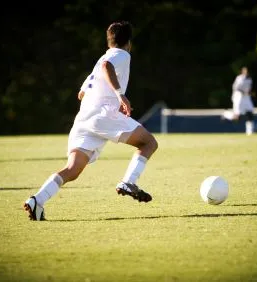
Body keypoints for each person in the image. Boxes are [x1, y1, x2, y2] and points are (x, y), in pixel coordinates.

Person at [23, 21, 158, 221]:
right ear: (128, 43)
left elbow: (81, 93)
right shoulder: (120, 54)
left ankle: (38, 200)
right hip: (103, 114)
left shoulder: (98, 62)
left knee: (72, 170)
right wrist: (120, 95)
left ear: (108, 40)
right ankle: (128, 182)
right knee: (149, 142)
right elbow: (107, 66)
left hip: (84, 119)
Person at [222, 67, 255, 135]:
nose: (247, 72)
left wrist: (250, 93)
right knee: (237, 117)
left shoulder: (249, 79)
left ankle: (249, 132)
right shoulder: (239, 78)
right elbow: (236, 88)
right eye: (245, 71)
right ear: (243, 72)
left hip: (246, 98)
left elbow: (248, 89)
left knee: (250, 113)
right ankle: (226, 114)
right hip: (238, 97)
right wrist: (243, 92)